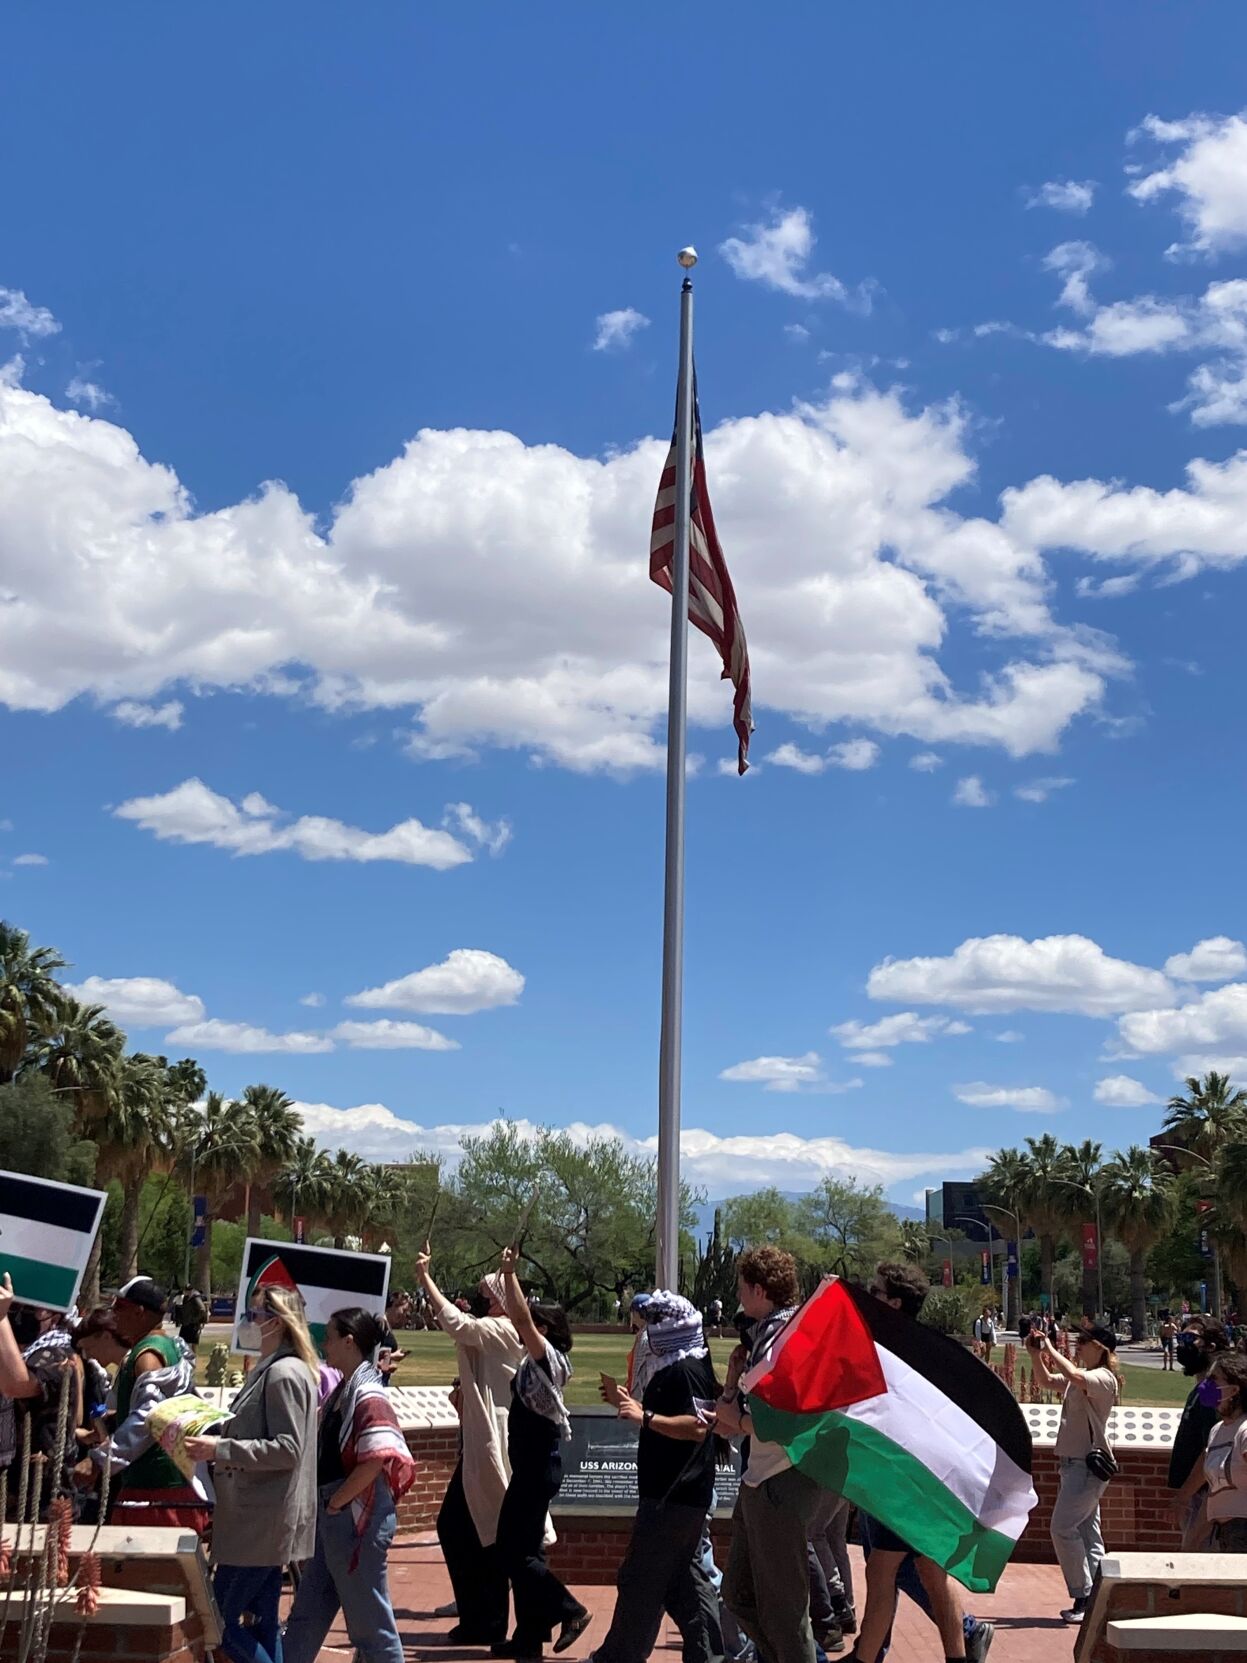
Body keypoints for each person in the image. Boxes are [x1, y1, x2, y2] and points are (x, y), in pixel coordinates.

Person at [846, 1264, 983, 1663]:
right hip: (917, 1479)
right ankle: (958, 1654)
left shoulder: (896, 1354)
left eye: (876, 1290)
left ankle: (866, 1657)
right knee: (929, 1572)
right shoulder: (916, 1349)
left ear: (894, 1302)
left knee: (882, 1571)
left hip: (903, 1479)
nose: (869, 1294)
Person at [184, 1284, 319, 1663]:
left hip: (261, 1523)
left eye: (254, 1315)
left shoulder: (285, 1375)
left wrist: (219, 1449)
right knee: (261, 1623)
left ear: (275, 1322)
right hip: (256, 1522)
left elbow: (287, 1449)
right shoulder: (274, 1371)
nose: (247, 1322)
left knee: (217, 1623)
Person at [588, 1291, 723, 1663]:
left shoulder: (686, 1371)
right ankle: (710, 1655)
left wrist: (644, 1417)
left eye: (655, 1323)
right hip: (673, 1493)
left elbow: (698, 1427)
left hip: (674, 1494)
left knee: (640, 1580)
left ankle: (617, 1657)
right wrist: (626, 1404)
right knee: (685, 1585)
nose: (649, 1331)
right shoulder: (676, 1366)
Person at [284, 1307, 416, 1663]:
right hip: (340, 1519)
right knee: (307, 1615)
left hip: (356, 1519)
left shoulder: (369, 1395)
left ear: (349, 1341)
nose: (323, 1343)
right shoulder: (347, 1389)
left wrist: (337, 1503)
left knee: (370, 1629)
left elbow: (376, 1459)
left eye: (328, 1336)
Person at [417, 1242, 527, 1647]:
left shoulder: (504, 1329)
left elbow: (457, 1323)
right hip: (480, 1444)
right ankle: (480, 1615)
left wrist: (426, 1279)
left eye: (486, 1296)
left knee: (477, 1530)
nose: (481, 1301)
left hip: (493, 1446)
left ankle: (487, 1619)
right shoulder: (499, 1330)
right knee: (467, 1528)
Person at [715, 1245, 819, 1663]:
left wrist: (736, 1421)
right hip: (759, 1480)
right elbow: (735, 1412)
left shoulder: (782, 1342)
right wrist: (732, 1383)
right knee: (739, 1594)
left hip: (782, 1481)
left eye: (742, 1289)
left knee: (785, 1611)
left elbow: (782, 1423)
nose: (739, 1297)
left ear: (760, 1291)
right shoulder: (767, 1338)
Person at [495, 1244, 590, 1661]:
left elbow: (517, 1315)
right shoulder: (538, 1362)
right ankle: (529, 1638)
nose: (523, 1327)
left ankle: (570, 1610)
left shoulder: (549, 1359)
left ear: (545, 1331)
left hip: (536, 1469)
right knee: (528, 1552)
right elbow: (514, 1314)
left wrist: (511, 1274)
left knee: (511, 1550)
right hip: (533, 1467)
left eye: (534, 1324)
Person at [96, 1275, 209, 1533]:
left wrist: (101, 1460)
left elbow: (151, 1415)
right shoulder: (170, 1345)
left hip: (155, 1492)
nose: (113, 1314)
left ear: (139, 1312)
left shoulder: (148, 1355)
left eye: (119, 1307)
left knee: (145, 1572)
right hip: (165, 1484)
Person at [1027, 1320, 1120, 1625]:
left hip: (1088, 1467)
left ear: (1100, 1347)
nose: (1078, 1345)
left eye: (1083, 1341)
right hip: (1072, 1467)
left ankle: (1082, 1594)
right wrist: (1035, 1355)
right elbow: (1046, 1381)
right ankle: (1102, 1598)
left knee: (1061, 1528)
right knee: (1087, 1533)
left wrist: (1052, 1346)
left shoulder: (1104, 1378)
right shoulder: (1081, 1380)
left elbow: (1072, 1374)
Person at [0, 1276, 82, 1516]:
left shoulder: (57, 1354)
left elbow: (18, 1384)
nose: (20, 1316)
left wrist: (1, 1318)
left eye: (29, 1309)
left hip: (40, 1503)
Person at [1170, 1352, 1247, 1551]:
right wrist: (1191, 1543)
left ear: (1234, 1389)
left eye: (1213, 1380)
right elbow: (1215, 1493)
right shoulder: (1217, 1431)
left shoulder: (1245, 1431)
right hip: (1224, 1533)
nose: (1205, 1385)